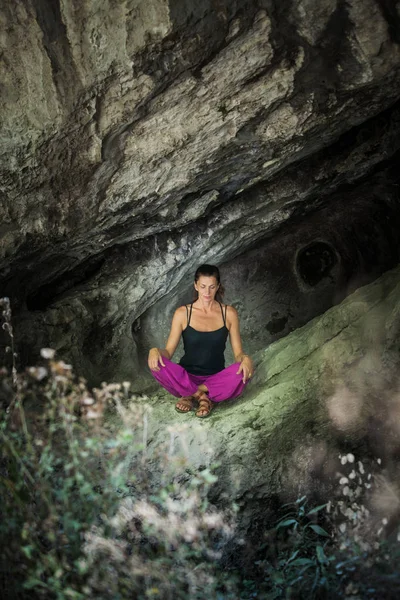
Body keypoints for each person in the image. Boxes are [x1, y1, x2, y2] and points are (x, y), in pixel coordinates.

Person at [148, 264, 254, 418]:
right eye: (203, 286)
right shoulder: (183, 313)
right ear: (195, 286)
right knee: (156, 362)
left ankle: (191, 393)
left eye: (212, 287)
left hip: (215, 377)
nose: (207, 292)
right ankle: (204, 397)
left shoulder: (229, 313)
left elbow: (238, 353)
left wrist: (246, 359)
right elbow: (168, 352)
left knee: (242, 371)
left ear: (218, 286)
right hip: (185, 376)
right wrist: (154, 351)